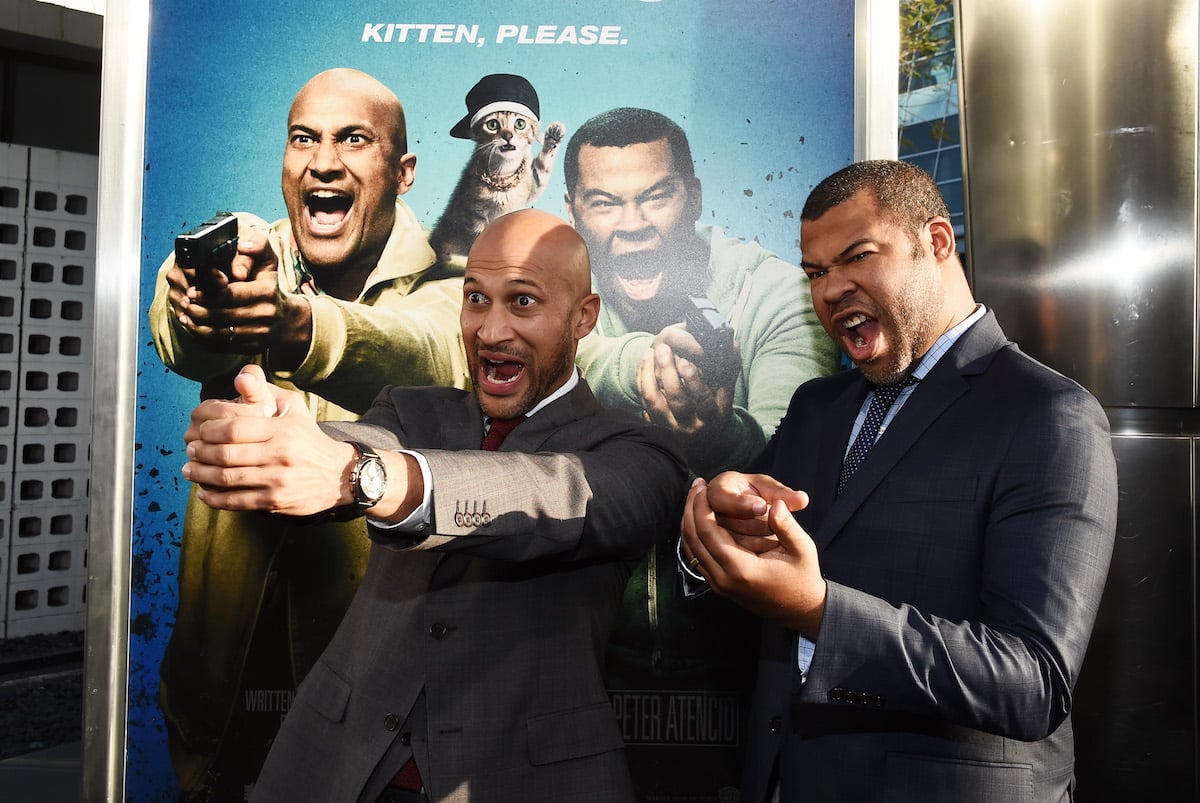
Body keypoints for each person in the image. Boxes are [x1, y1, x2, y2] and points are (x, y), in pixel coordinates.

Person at [180, 209, 688, 803]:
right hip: (336, 770)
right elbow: (357, 450)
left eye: (522, 302)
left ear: (584, 318)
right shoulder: (410, 409)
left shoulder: (637, 450)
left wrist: (365, 478)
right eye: (476, 299)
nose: (492, 331)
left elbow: (551, 493)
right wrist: (290, 447)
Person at [680, 160, 1119, 802]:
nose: (830, 291)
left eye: (857, 257)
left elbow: (1034, 682)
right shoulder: (815, 408)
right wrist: (713, 528)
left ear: (936, 242)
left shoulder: (1049, 415)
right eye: (816, 273)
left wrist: (820, 612)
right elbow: (753, 570)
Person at [148, 68, 469, 800]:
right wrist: (199, 304)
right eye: (305, 139)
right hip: (222, 712)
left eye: (353, 139)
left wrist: (296, 327)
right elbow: (179, 340)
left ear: (403, 171)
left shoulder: (454, 285)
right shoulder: (248, 255)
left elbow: (426, 353)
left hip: (379, 731)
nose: (324, 161)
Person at [563, 107, 837, 478]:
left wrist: (718, 439)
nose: (632, 225)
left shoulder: (780, 295)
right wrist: (648, 362)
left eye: (656, 197)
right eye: (604, 203)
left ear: (694, 198)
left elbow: (792, 461)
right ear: (571, 211)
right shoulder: (557, 293)